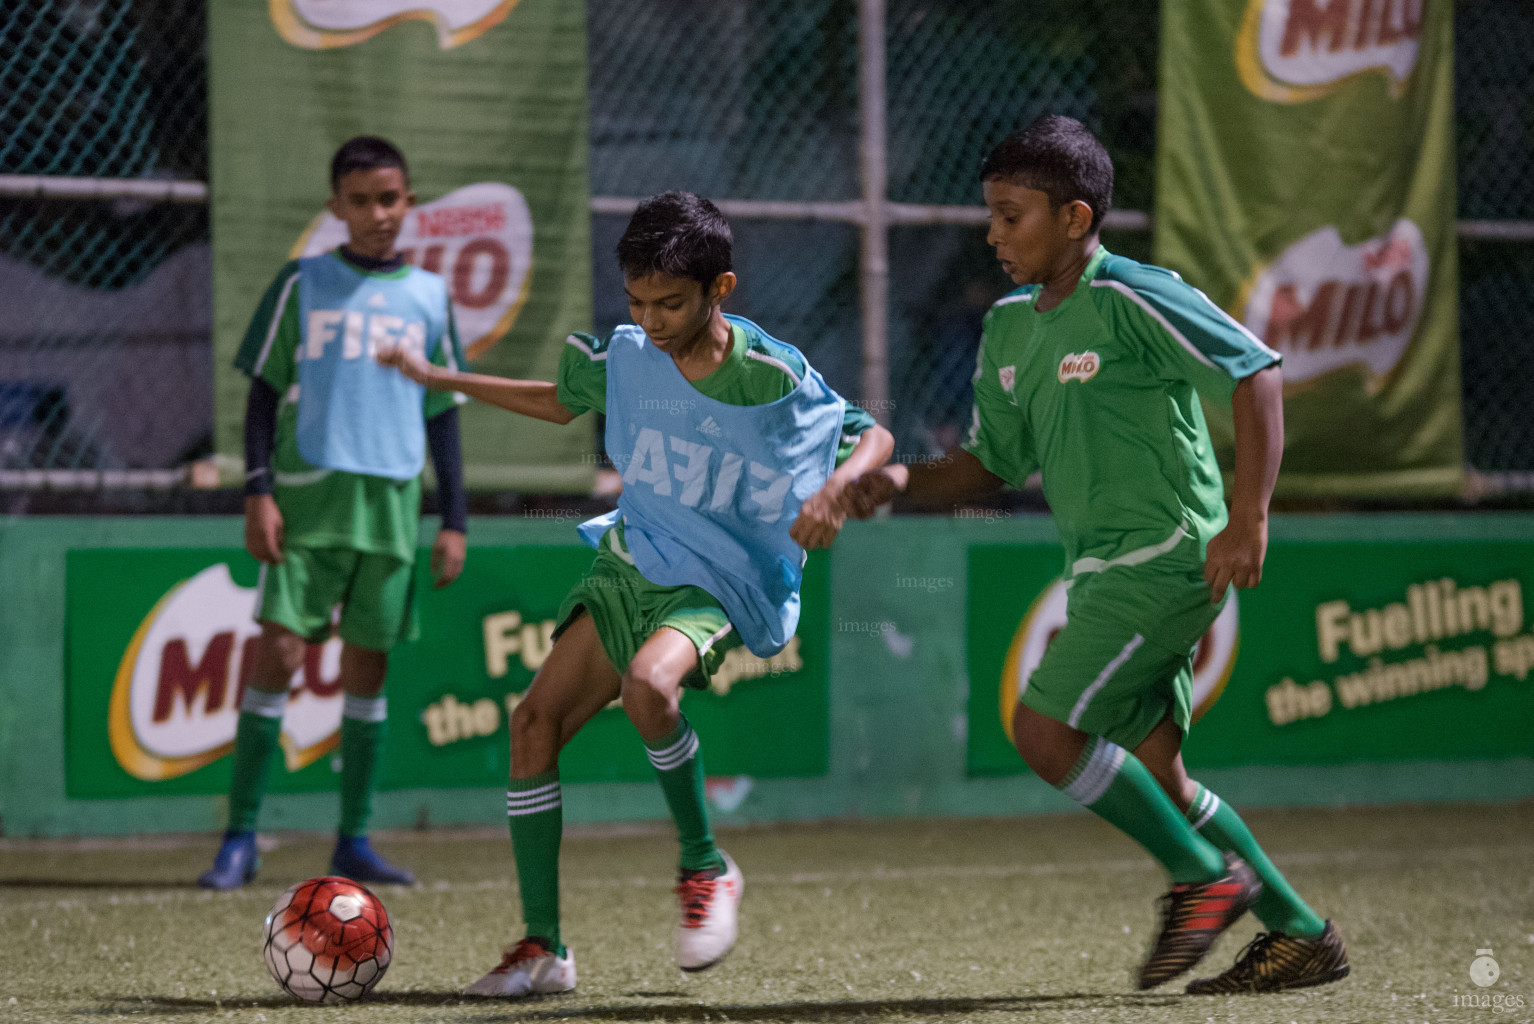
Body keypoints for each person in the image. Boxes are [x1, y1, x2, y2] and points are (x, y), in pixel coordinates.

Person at [843, 116, 1349, 994]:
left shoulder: (1134, 294)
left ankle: (1200, 880)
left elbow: (1255, 370)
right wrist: (893, 483)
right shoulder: (1007, 329)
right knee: (1163, 778)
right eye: (990, 217)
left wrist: (1249, 515)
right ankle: (1302, 933)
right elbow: (989, 465)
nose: (994, 235)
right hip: (1103, 571)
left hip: (1167, 558)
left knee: (1042, 729)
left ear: (1075, 219)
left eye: (1012, 216)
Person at [379, 191, 894, 998]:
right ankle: (543, 949)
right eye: (638, 301)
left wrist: (839, 490)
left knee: (650, 686)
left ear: (720, 289)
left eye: (671, 303)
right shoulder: (626, 356)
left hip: (723, 577)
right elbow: (559, 403)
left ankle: (706, 865)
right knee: (532, 725)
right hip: (635, 559)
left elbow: (872, 435)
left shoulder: (769, 375)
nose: (652, 320)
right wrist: (437, 376)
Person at [198, 135, 469, 891]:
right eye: (360, 201)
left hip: (391, 506)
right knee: (279, 656)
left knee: (367, 668)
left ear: (408, 201)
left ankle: (353, 839)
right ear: (336, 207)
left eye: (389, 199)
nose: (377, 213)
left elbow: (443, 411)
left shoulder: (429, 296)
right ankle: (241, 834)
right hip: (308, 499)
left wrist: (455, 520)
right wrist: (258, 491)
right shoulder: (304, 282)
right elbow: (260, 394)